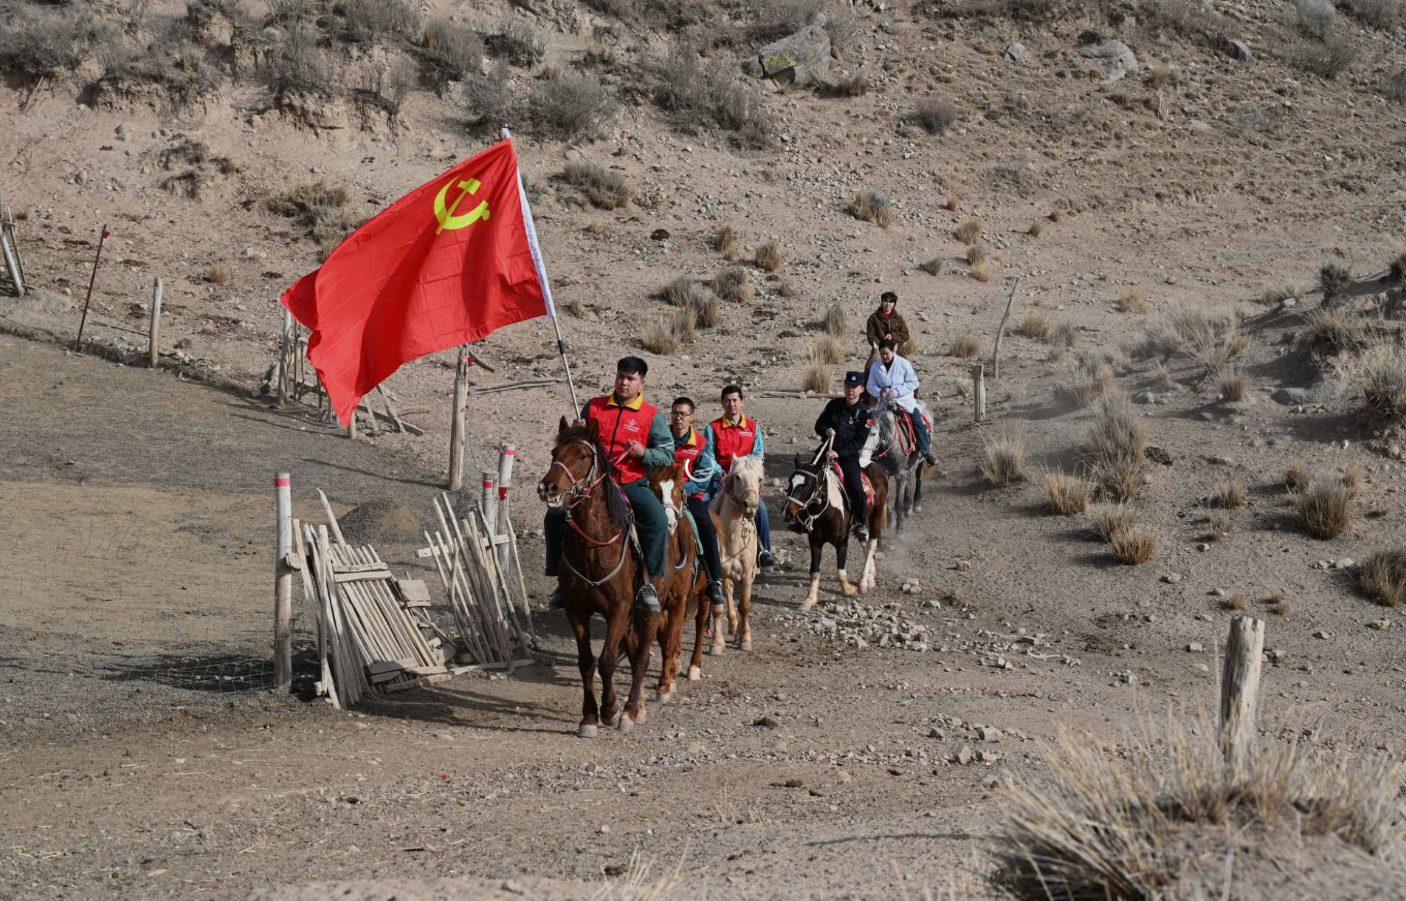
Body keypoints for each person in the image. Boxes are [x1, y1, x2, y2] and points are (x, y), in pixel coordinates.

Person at [545, 356, 673, 613]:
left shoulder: (652, 416)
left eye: (630, 378)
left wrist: (644, 453)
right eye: (620, 376)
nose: (624, 382)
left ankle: (650, 583)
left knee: (658, 520)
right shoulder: (594, 406)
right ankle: (561, 578)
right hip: (594, 483)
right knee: (554, 516)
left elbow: (668, 454)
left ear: (641, 383)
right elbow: (578, 445)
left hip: (631, 482)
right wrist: (577, 430)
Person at [667, 397, 727, 612]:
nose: (678, 418)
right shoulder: (660, 438)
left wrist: (681, 490)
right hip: (661, 494)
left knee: (707, 526)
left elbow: (704, 475)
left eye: (683, 414)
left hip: (689, 496)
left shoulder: (700, 443)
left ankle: (714, 580)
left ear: (692, 417)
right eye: (675, 413)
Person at [708, 385, 778, 568]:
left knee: (761, 508)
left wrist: (740, 467)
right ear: (722, 403)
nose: (731, 404)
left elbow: (758, 454)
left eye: (735, 400)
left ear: (742, 403)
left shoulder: (753, 427)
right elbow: (708, 456)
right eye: (727, 401)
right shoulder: (713, 428)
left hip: (746, 481)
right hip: (721, 479)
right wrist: (721, 473)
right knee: (705, 506)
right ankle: (704, 553)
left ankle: (764, 551)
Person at [814, 371, 874, 542]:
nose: (850, 390)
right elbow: (818, 425)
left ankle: (860, 523)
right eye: (848, 386)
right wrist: (825, 430)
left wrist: (839, 453)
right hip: (826, 449)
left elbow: (859, 441)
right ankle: (801, 515)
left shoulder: (866, 413)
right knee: (806, 475)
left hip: (847, 455)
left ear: (862, 389)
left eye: (854, 387)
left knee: (856, 487)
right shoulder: (834, 405)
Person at [867, 339, 938, 466]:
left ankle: (926, 452)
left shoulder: (903, 363)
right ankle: (868, 452)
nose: (884, 356)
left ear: (892, 351)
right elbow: (870, 385)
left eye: (886, 353)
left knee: (917, 420)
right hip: (884, 403)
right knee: (870, 423)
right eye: (882, 354)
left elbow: (914, 382)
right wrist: (879, 392)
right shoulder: (875, 367)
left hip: (904, 401)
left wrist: (896, 392)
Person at [864, 291, 910, 371]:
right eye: (885, 301)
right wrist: (882, 344)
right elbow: (871, 337)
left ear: (894, 304)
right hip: (879, 347)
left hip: (896, 347)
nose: (888, 304)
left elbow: (905, 335)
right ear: (881, 302)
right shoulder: (873, 318)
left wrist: (892, 336)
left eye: (891, 302)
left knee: (906, 367)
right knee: (869, 369)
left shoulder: (899, 319)